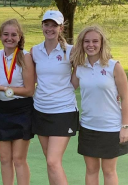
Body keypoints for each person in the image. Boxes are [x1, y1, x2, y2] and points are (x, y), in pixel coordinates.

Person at [71, 25, 128, 185]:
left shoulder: (114, 66)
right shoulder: (79, 67)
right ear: (81, 44)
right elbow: (68, 88)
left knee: (109, 171)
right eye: (87, 41)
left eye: (95, 41)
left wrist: (125, 126)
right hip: (88, 127)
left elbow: (125, 98)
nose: (91, 45)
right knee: (91, 170)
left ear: (102, 43)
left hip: (111, 127)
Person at [31, 10, 79, 185]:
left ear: (61, 28)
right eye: (46, 24)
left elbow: (78, 79)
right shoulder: (35, 51)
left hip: (63, 110)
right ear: (42, 26)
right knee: (51, 162)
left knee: (53, 161)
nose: (49, 28)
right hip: (40, 110)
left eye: (54, 25)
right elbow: (32, 79)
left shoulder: (72, 51)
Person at [0, 19, 35, 185]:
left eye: (14, 34)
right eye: (6, 34)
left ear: (20, 36)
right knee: (4, 159)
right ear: (0, 36)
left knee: (18, 159)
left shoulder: (26, 57)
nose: (9, 38)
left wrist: (4, 88)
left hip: (22, 110)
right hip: (2, 110)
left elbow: (29, 90)